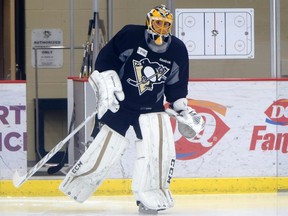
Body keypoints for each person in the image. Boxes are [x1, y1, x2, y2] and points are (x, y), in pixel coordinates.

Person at [59, 4, 205, 214]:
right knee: (102, 147)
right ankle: (78, 184)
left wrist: (180, 107)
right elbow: (106, 61)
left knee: (157, 153)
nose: (161, 29)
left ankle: (149, 196)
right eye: (158, 23)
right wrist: (107, 84)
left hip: (151, 109)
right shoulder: (130, 35)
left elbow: (176, 83)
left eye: (166, 25)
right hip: (120, 104)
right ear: (149, 22)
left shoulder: (177, 49)